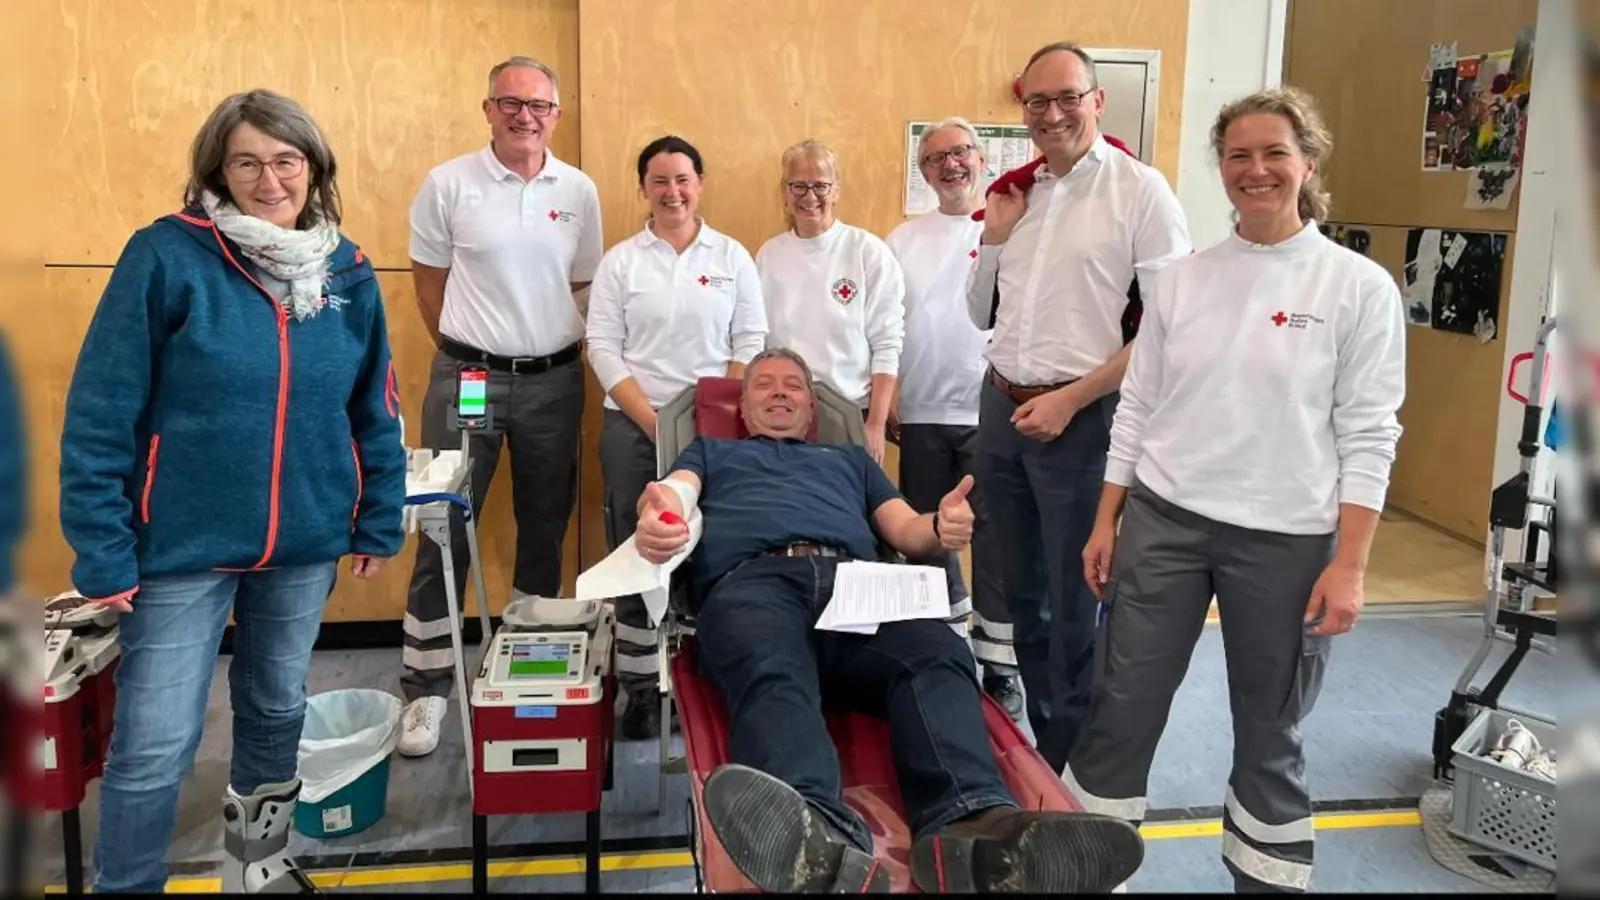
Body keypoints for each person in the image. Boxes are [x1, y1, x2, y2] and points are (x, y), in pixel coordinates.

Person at [57, 88, 406, 894]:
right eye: (246, 160)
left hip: (305, 538)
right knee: (155, 739)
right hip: (180, 545)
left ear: (314, 169)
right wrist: (102, 548)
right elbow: (102, 407)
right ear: (218, 167)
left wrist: (378, 516)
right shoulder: (168, 255)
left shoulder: (345, 270)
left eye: (286, 160)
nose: (269, 178)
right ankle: (127, 885)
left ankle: (257, 865)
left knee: (278, 706)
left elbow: (373, 403)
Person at [631, 347, 1144, 894]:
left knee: (939, 652)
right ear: (743, 406)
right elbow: (672, 495)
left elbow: (905, 532)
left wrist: (942, 526)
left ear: (811, 411)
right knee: (770, 665)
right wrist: (655, 512)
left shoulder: (850, 462)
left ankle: (972, 827)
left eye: (792, 385)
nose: (779, 391)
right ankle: (815, 833)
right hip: (755, 584)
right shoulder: (711, 453)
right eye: (763, 384)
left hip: (857, 588)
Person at [1063, 87, 1406, 893]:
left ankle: (1267, 879)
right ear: (1221, 170)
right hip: (1164, 522)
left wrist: (1350, 563)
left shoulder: (1356, 288)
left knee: (1270, 726)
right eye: (1238, 156)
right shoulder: (1181, 282)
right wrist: (1107, 517)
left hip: (1288, 541)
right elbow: (1139, 406)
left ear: (1307, 164)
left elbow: (1370, 432)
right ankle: (1083, 869)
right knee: (1122, 706)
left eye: (1274, 153)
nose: (1256, 170)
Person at [967, 41, 1192, 770]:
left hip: (1082, 420)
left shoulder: (1141, 192)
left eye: (1068, 97)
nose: (1053, 113)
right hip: (1001, 412)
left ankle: (1077, 764)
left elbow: (1165, 331)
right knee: (1017, 592)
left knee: (1075, 599)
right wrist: (995, 241)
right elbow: (980, 315)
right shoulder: (1016, 192)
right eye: (1038, 102)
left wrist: (1072, 399)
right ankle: (1045, 743)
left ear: (1099, 100)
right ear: (1022, 107)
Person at [398, 56, 603, 756]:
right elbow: (430, 287)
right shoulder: (447, 184)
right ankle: (424, 689)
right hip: (469, 377)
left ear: (556, 116)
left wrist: (531, 346)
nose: (525, 116)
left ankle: (530, 665)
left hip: (554, 380)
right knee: (441, 522)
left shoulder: (578, 190)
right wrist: (472, 354)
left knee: (545, 522)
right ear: (487, 108)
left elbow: (583, 287)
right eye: (510, 103)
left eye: (539, 106)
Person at [585, 135, 768, 738]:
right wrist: (655, 422)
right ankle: (639, 686)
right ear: (643, 188)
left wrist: (712, 418)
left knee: (714, 549)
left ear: (700, 183)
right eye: (659, 181)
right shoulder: (621, 262)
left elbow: (750, 342)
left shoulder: (732, 257)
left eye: (683, 179)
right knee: (637, 549)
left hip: (714, 431)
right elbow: (604, 348)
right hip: (634, 425)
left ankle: (707, 673)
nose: (672, 192)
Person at [885, 118, 1021, 718]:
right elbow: (886, 327)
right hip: (920, 413)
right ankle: (942, 644)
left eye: (961, 152)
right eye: (937, 157)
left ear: (982, 158)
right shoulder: (900, 239)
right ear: (924, 171)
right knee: (926, 536)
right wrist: (885, 399)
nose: (951, 164)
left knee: (994, 539)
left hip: (990, 410)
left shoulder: (1011, 227)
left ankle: (1001, 665)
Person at [755, 140, 905, 465]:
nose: (810, 197)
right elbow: (758, 341)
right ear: (784, 191)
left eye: (821, 186)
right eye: (798, 186)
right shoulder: (769, 255)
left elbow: (887, 343)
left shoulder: (867, 250)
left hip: (850, 410)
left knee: (848, 511)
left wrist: (876, 423)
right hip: (783, 415)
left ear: (836, 191)